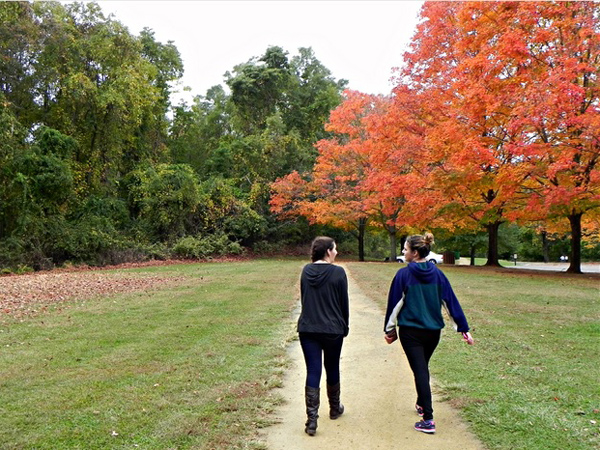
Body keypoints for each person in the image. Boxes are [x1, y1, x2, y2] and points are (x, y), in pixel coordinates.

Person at [383, 233, 474, 434]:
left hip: (411, 333)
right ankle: (421, 403)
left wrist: (389, 330)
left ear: (415, 253)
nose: (403, 252)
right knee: (421, 368)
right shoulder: (438, 274)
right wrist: (463, 328)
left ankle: (428, 419)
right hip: (433, 333)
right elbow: (451, 302)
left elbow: (394, 305)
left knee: (420, 370)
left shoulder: (403, 275)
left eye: (406, 249)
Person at [297, 236, 349, 436]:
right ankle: (334, 409)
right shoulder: (338, 273)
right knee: (332, 366)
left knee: (313, 370)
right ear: (328, 251)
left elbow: (305, 299)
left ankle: (312, 421)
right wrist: (345, 326)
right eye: (334, 249)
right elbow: (343, 303)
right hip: (333, 329)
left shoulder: (306, 271)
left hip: (308, 328)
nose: (336, 252)